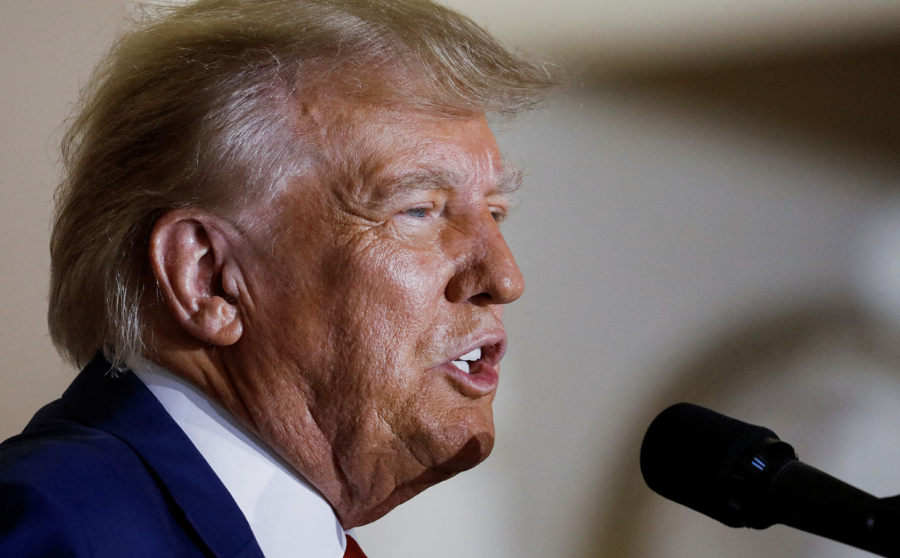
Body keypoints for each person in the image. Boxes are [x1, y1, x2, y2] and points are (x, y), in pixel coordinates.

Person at [0, 0, 556, 556]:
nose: (505, 278)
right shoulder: (53, 527)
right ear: (209, 278)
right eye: (419, 210)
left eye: (495, 212)